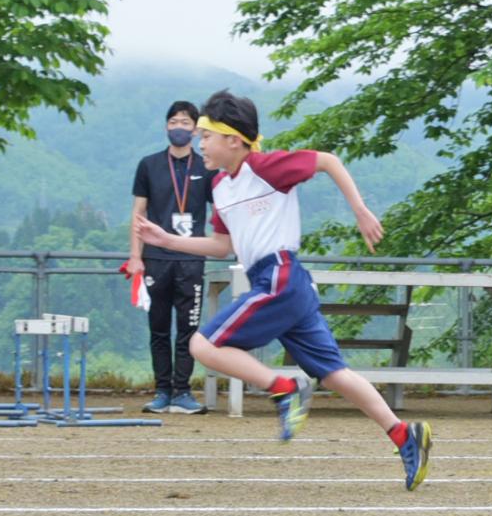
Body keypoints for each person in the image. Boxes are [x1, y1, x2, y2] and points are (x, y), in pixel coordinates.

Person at [132, 89, 434, 490]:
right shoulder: (220, 188)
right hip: (279, 282)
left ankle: (285, 389)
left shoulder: (267, 167)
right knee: (335, 373)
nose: (199, 142)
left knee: (202, 346)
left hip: (281, 276)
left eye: (206, 135)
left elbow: (327, 161)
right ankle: (403, 435)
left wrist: (360, 209)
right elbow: (224, 247)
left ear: (233, 141)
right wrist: (166, 240)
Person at [127, 100, 213, 413]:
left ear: (195, 129)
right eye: (174, 122)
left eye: (186, 123)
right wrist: (135, 256)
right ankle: (162, 390)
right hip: (155, 259)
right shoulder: (149, 165)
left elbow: (222, 211)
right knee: (159, 327)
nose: (179, 128)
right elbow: (138, 214)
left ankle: (183, 391)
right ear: (166, 126)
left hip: (191, 259)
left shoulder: (206, 166)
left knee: (189, 328)